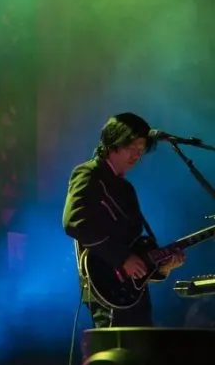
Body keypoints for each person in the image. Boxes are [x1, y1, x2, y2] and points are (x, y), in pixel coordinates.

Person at [63, 112, 185, 327]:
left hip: (133, 293)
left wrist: (162, 267)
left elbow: (135, 247)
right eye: (132, 148)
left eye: (141, 151)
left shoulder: (126, 188)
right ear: (113, 144)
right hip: (107, 288)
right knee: (117, 355)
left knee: (144, 356)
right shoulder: (88, 173)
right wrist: (121, 258)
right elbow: (75, 221)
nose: (137, 156)